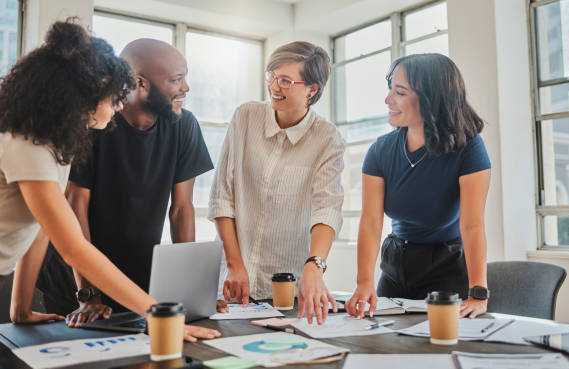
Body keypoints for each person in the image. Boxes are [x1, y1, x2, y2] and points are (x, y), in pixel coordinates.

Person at [0, 20, 219, 341]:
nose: (119, 105)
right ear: (83, 99)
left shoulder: (54, 144)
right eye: (113, 98)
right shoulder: (28, 144)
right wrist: (159, 315)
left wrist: (20, 309)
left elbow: (41, 227)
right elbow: (73, 247)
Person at [345, 53, 491, 319]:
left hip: (447, 267)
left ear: (431, 99)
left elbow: (472, 224)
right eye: (390, 90)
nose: (388, 100)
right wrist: (363, 281)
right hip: (395, 264)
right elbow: (370, 221)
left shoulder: (469, 147)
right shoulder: (380, 150)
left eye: (399, 92)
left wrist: (478, 293)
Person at [209, 41, 345, 325]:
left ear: (312, 89)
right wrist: (235, 265)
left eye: (285, 80)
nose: (274, 85)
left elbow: (327, 209)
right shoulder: (245, 117)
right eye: (271, 75)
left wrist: (315, 266)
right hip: (233, 280)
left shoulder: (327, 138)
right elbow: (222, 197)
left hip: (287, 289)